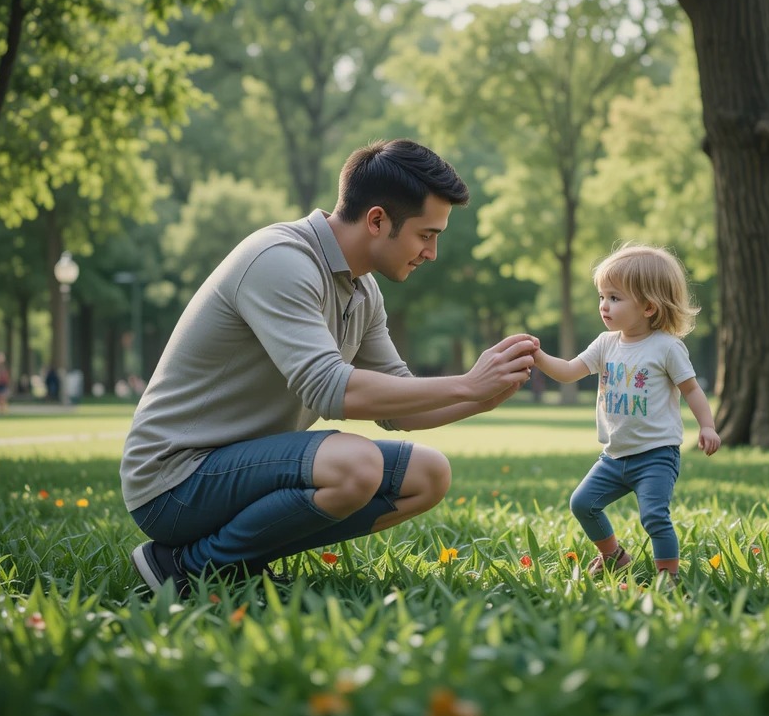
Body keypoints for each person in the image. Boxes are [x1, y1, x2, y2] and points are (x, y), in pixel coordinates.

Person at [123, 139, 537, 595]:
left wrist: (479, 397)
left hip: (244, 472)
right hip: (175, 481)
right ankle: (186, 567)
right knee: (355, 466)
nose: (431, 253)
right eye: (427, 235)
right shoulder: (280, 260)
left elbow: (398, 406)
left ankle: (241, 560)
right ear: (377, 220)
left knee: (428, 476)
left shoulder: (364, 290)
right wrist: (465, 383)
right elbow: (329, 390)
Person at [532, 243, 721, 585]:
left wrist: (706, 426)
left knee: (654, 516)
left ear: (649, 306)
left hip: (655, 455)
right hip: (614, 455)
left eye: (615, 298)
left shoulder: (666, 347)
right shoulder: (606, 343)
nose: (604, 305)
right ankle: (614, 556)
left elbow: (692, 389)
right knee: (582, 503)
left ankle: (669, 576)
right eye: (602, 296)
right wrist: (538, 356)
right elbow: (569, 371)